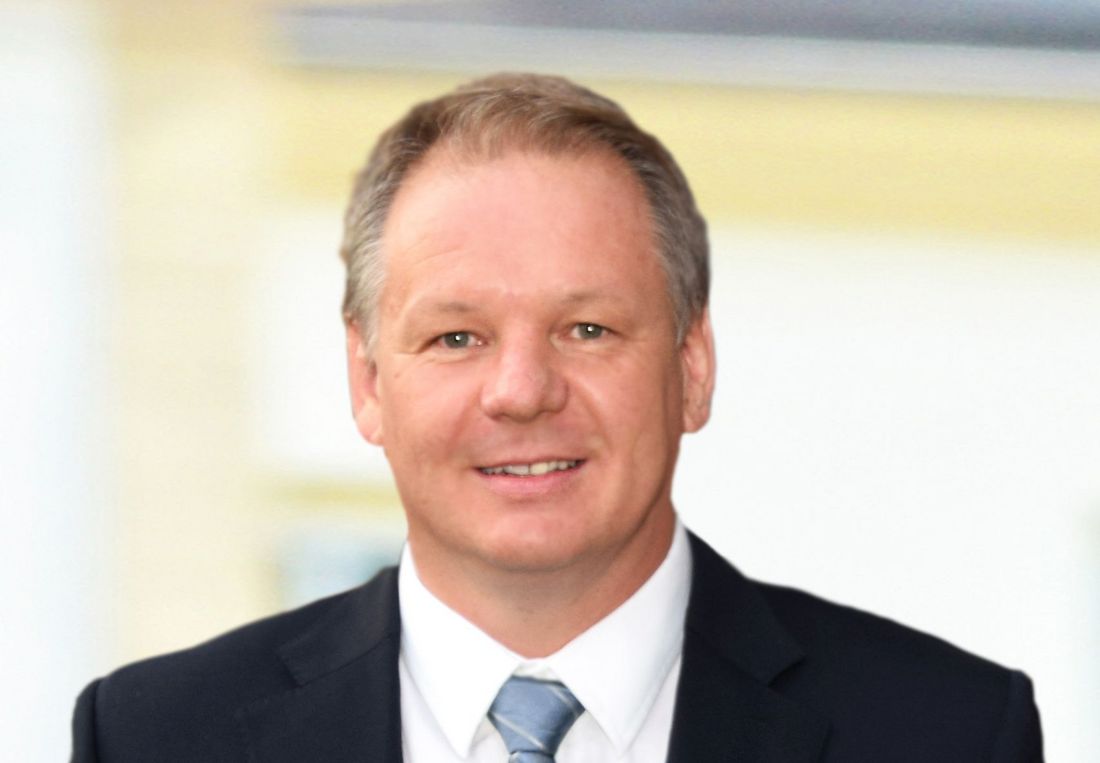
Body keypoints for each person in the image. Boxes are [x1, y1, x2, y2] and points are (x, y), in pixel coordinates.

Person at [71, 73, 1043, 762]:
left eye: (586, 329)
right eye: (456, 337)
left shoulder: (947, 734)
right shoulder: (155, 738)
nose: (521, 389)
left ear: (692, 367)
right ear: (367, 381)